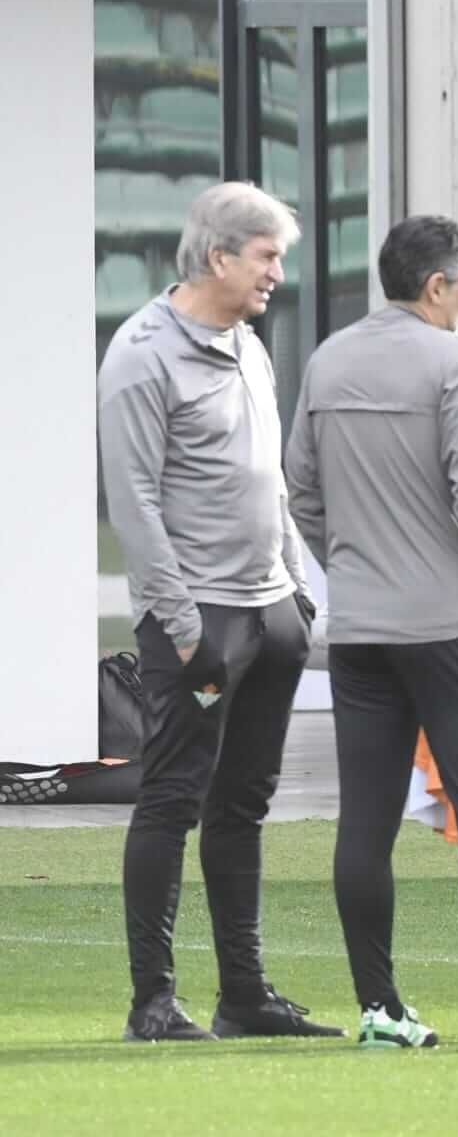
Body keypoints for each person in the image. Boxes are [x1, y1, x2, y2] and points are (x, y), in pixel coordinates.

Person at [285, 215, 458, 1051]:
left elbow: (301, 489)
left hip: (363, 629)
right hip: (454, 626)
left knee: (364, 823)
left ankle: (379, 1008)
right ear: (435, 286)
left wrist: (353, 562)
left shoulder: (330, 356)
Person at [97, 182, 340, 1042]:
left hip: (270, 617)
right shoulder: (140, 356)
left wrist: (295, 590)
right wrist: (189, 629)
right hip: (200, 629)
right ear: (218, 257)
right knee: (172, 797)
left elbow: (267, 475)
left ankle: (245, 995)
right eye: (268, 256)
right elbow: (132, 507)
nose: (279, 273)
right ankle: (152, 1002)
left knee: (244, 805)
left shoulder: (247, 341)